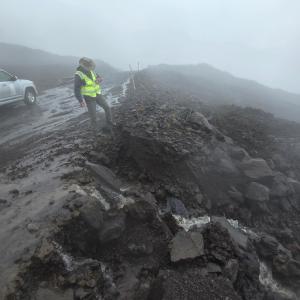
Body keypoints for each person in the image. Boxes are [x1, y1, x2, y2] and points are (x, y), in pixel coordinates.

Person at [74, 57, 114, 132]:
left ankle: (110, 123)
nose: (92, 69)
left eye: (92, 67)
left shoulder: (92, 71)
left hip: (97, 94)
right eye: (90, 67)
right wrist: (80, 101)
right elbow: (76, 89)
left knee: (107, 107)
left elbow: (98, 77)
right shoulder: (79, 74)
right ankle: (95, 131)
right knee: (93, 116)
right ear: (84, 66)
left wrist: (99, 79)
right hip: (89, 97)